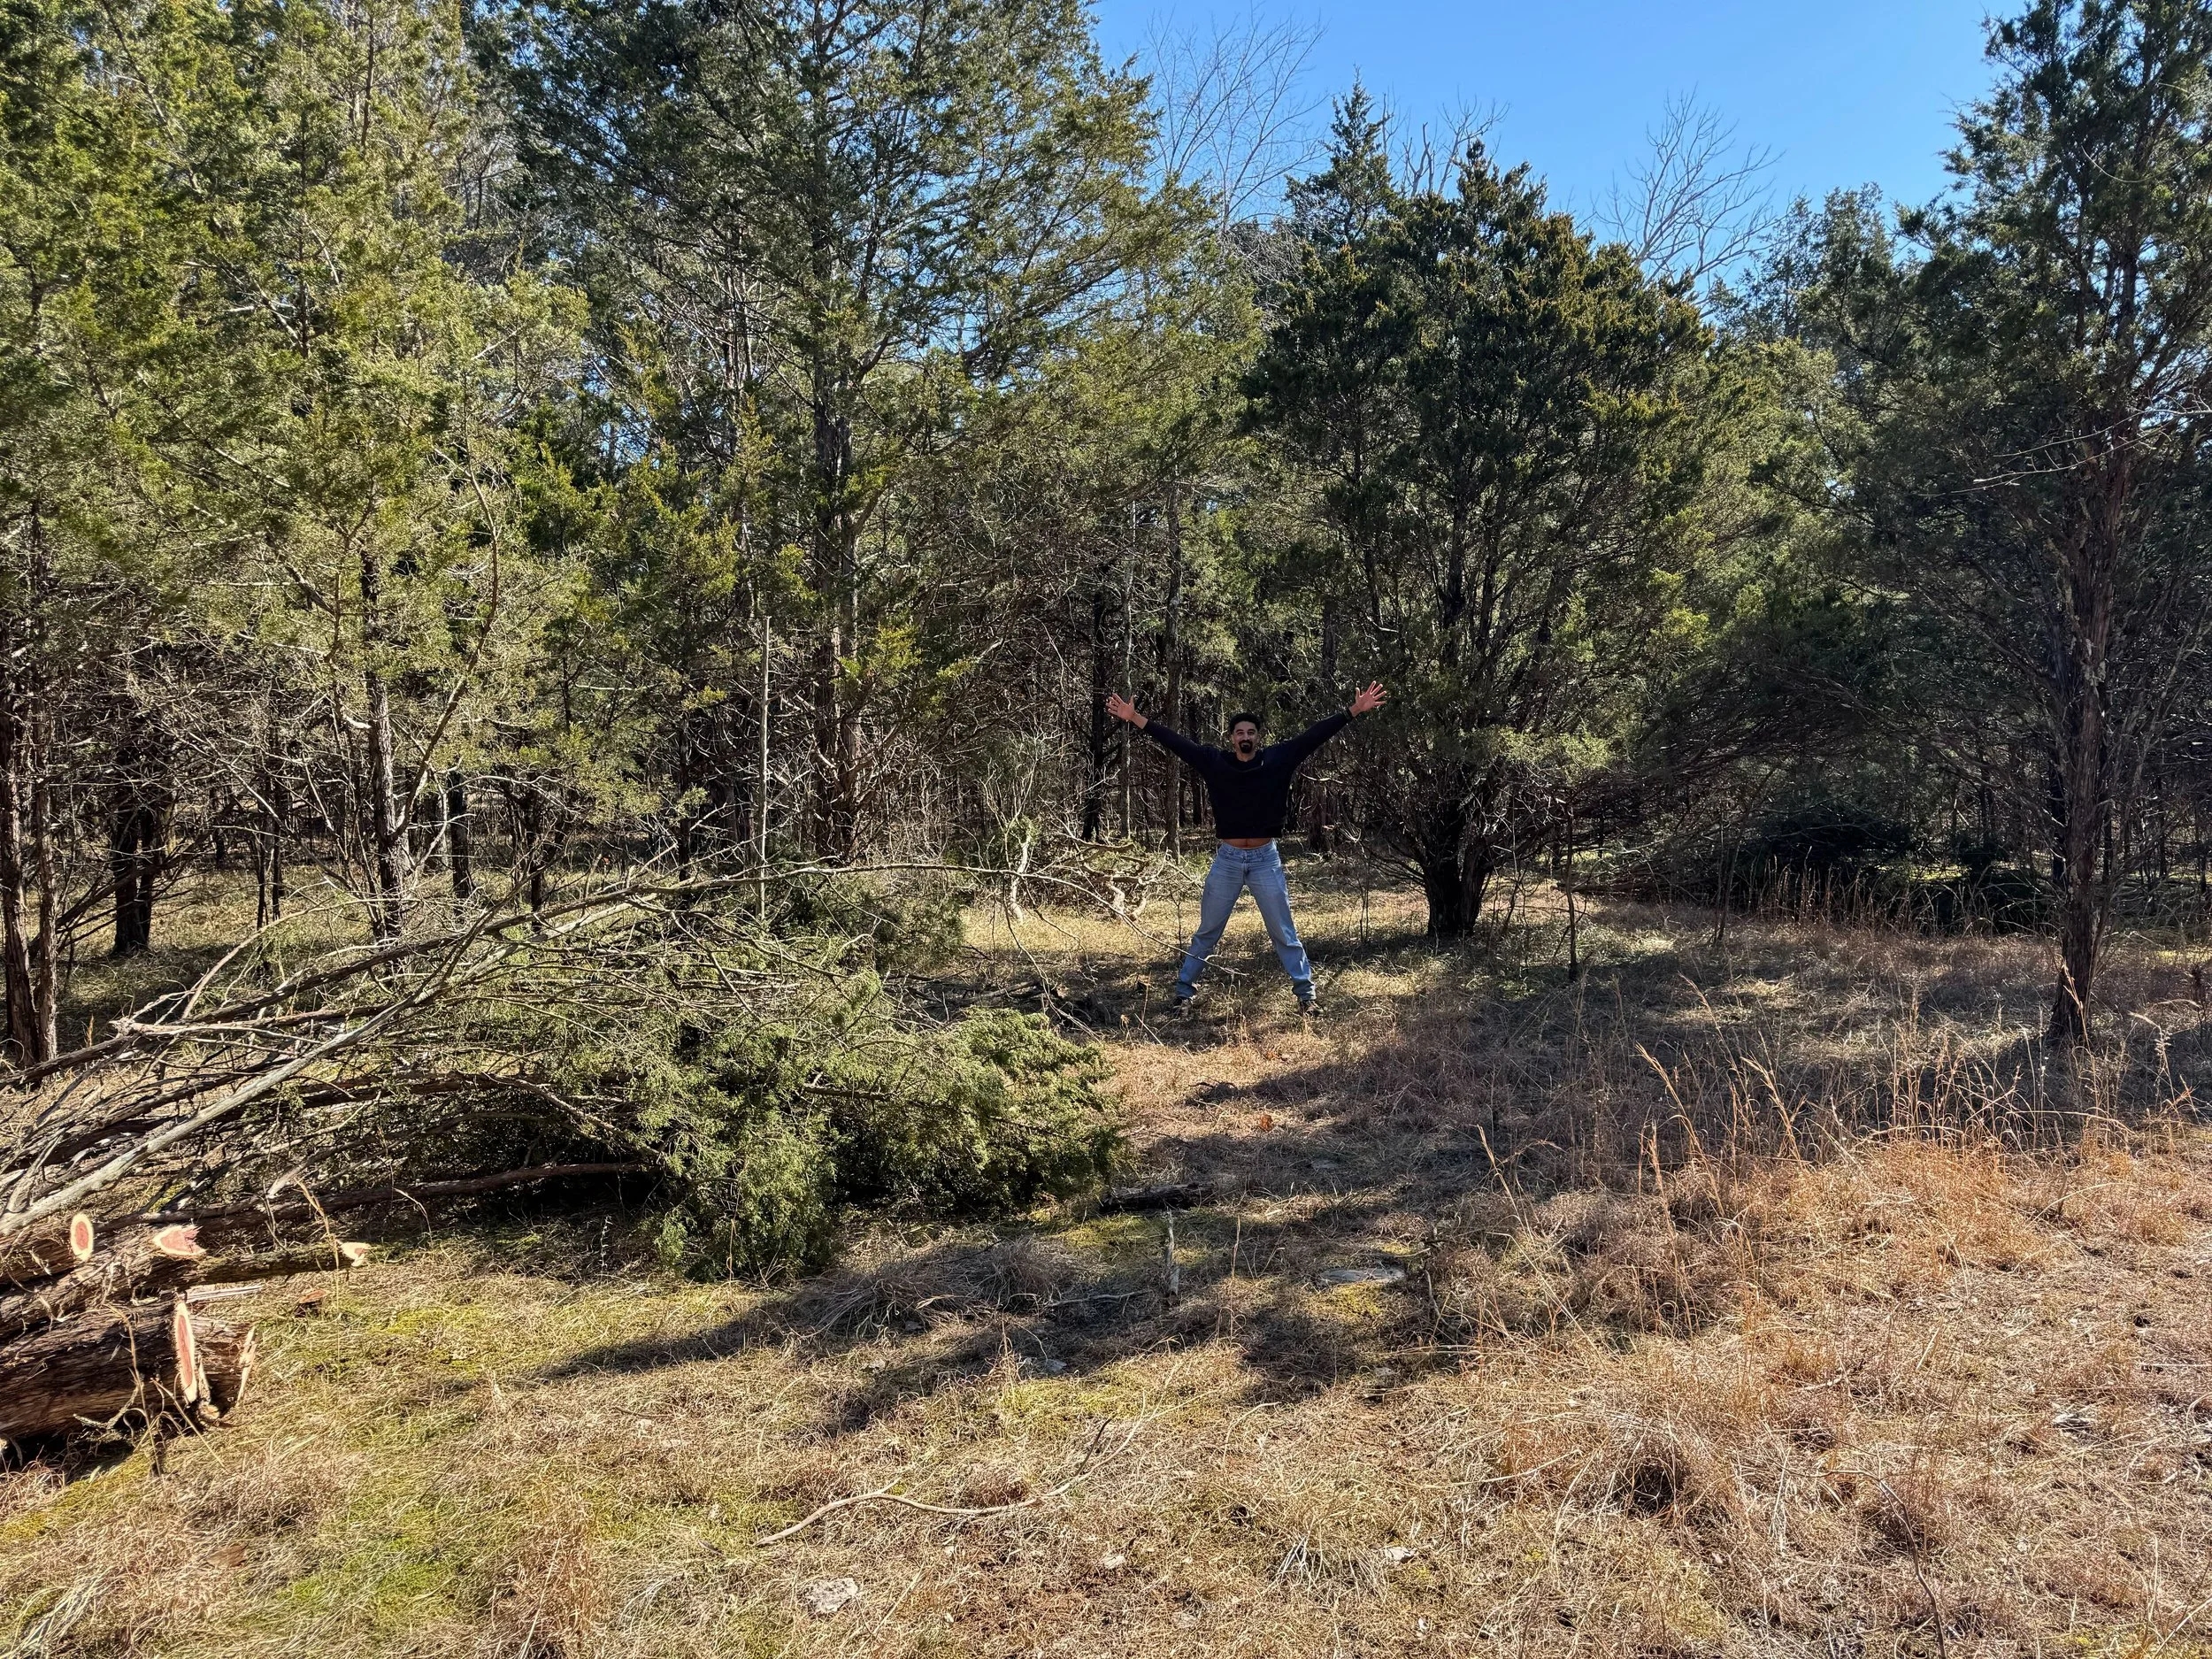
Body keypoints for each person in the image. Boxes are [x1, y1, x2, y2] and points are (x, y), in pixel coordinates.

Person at [1105, 683, 1387, 1010]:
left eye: (1251, 732)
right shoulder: (1215, 762)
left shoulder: (1278, 760)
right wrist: (1135, 717)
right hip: (1227, 860)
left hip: (1265, 860)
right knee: (1208, 930)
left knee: (1283, 931)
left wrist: (1353, 710)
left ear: (1258, 737)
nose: (1245, 737)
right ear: (1231, 737)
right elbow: (1176, 742)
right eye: (1239, 732)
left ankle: (1307, 997)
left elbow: (1313, 737)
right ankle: (1183, 993)